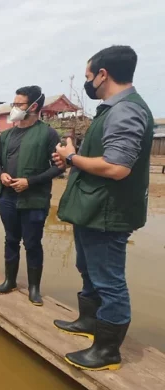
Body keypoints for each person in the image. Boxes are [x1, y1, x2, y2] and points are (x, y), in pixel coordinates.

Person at [53, 45, 154, 371]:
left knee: (110, 281)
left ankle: (108, 350)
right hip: (92, 210)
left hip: (108, 213)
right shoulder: (111, 110)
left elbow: (117, 167)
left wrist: (72, 157)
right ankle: (89, 322)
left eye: (88, 76)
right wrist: (74, 157)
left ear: (102, 74)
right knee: (89, 268)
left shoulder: (126, 111)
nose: (87, 83)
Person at [0, 86, 62, 306]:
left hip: (34, 200)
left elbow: (58, 167)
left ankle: (33, 288)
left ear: (34, 107)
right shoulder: (6, 135)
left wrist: (30, 182)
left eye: (19, 104)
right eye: (14, 104)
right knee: (11, 240)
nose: (14, 108)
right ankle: (10, 280)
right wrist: (1, 175)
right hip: (7, 199)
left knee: (32, 244)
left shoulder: (48, 134)